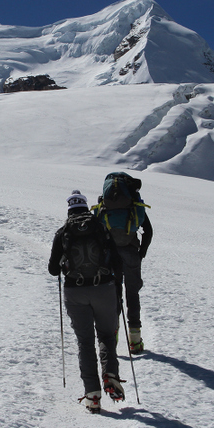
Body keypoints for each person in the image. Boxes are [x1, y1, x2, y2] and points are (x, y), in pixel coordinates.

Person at [48, 190, 125, 413]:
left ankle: (92, 395)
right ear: (85, 207)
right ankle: (110, 374)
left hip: (75, 291)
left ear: (69, 209)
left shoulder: (63, 233)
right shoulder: (101, 228)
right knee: (106, 335)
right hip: (104, 289)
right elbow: (117, 262)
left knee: (85, 342)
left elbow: (53, 270)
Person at [92, 172, 153, 355]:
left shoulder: (104, 205)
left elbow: (96, 231)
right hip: (131, 251)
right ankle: (135, 340)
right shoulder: (133, 205)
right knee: (132, 293)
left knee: (114, 294)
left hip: (111, 254)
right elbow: (148, 231)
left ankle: (113, 336)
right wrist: (141, 253)